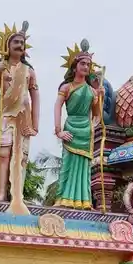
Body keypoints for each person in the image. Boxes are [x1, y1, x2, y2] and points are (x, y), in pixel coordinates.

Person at [0, 21, 39, 214]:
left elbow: (35, 96)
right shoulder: (0, 67)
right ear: (7, 47)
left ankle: (17, 195)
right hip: (6, 114)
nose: (20, 45)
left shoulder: (29, 71)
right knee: (4, 154)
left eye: (22, 42)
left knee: (22, 157)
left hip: (23, 116)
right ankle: (1, 193)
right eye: (16, 42)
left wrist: (35, 124)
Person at [53, 39, 104, 210]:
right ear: (75, 66)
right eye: (82, 63)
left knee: (84, 167)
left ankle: (83, 201)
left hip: (85, 130)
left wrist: (93, 124)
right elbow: (57, 106)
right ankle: (64, 198)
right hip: (71, 127)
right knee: (68, 164)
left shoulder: (91, 91)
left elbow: (97, 115)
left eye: (88, 65)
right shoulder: (67, 87)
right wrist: (58, 131)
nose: (85, 67)